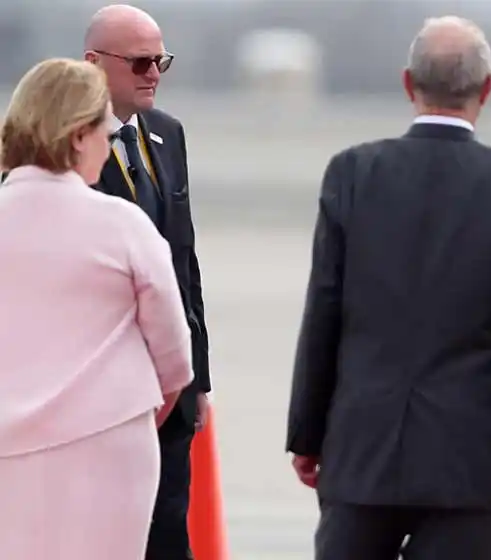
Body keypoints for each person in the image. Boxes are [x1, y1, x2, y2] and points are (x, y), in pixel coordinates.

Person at [286, 15, 491, 560]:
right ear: (487, 89)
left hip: (360, 453)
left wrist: (307, 432)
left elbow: (323, 311)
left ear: (408, 83)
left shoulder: (351, 173)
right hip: (468, 465)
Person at [0, 57, 193, 560]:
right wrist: (132, 417)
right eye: (105, 134)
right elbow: (174, 359)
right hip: (111, 442)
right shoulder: (123, 226)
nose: (109, 147)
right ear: (78, 135)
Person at [82, 5, 211, 558]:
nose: (154, 73)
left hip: (170, 391)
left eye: (161, 61)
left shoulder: (167, 134)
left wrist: (198, 377)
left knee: (168, 534)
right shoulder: (63, 145)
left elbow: (185, 261)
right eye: (139, 62)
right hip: (100, 394)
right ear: (94, 63)